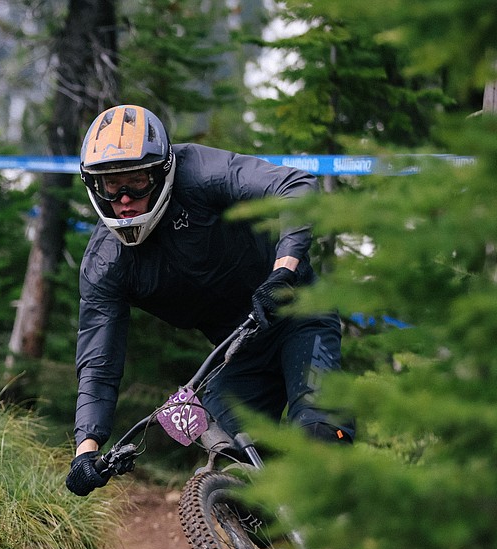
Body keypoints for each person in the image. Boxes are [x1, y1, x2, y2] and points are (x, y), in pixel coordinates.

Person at [65, 104, 353, 497]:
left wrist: (282, 272)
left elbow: (296, 186)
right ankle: (285, 546)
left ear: (163, 171)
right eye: (112, 187)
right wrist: (86, 451)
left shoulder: (199, 171)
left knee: (318, 433)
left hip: (296, 312)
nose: (126, 198)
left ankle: (352, 541)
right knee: (241, 473)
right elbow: (98, 362)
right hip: (234, 352)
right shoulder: (105, 264)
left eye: (137, 181)